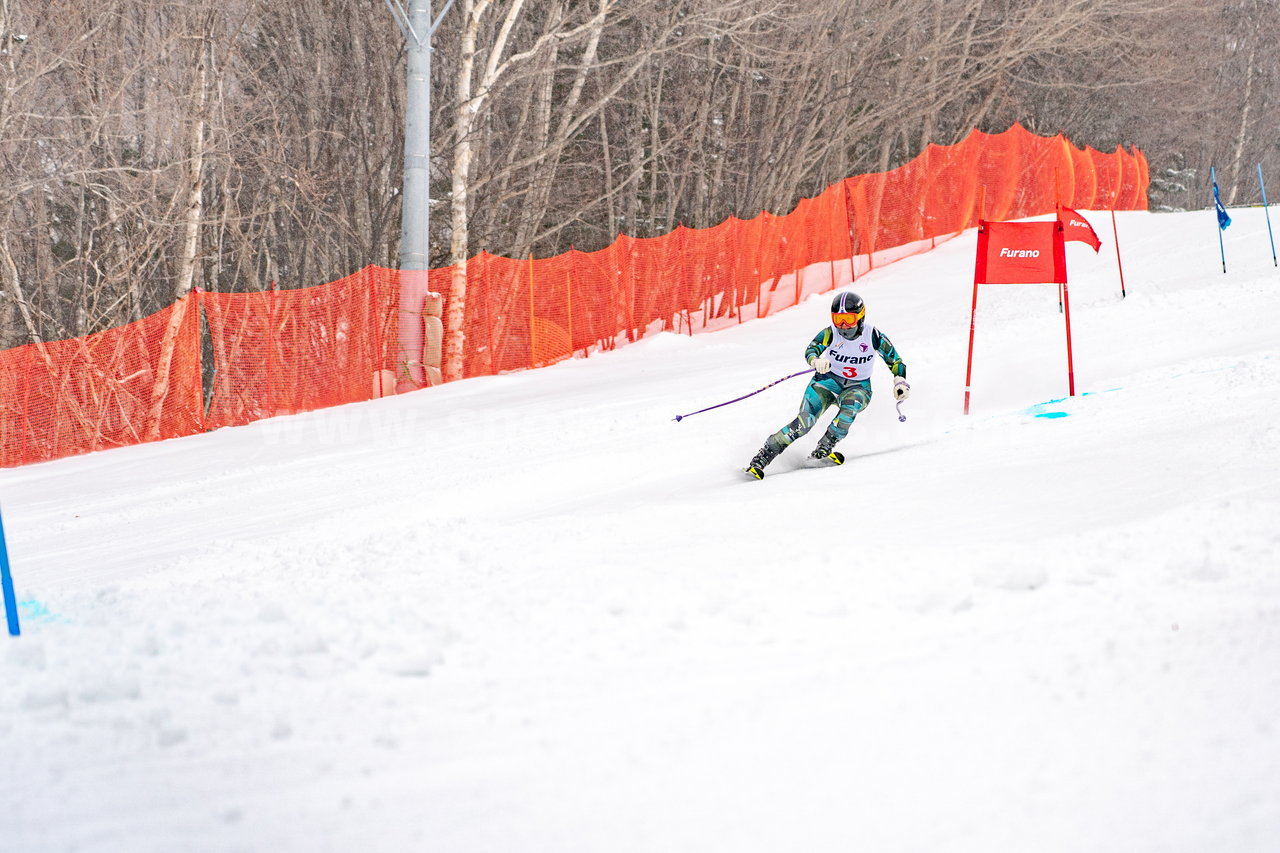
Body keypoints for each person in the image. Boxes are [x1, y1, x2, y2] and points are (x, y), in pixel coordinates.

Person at [744, 291, 908, 479]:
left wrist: (899, 380)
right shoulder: (831, 333)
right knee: (804, 423)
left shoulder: (873, 335)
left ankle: (823, 449)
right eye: (838, 319)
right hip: (827, 382)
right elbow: (811, 349)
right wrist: (815, 361)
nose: (843, 326)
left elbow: (895, 361)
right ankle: (762, 458)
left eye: (848, 319)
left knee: (850, 407)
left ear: (861, 317)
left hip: (858, 387)